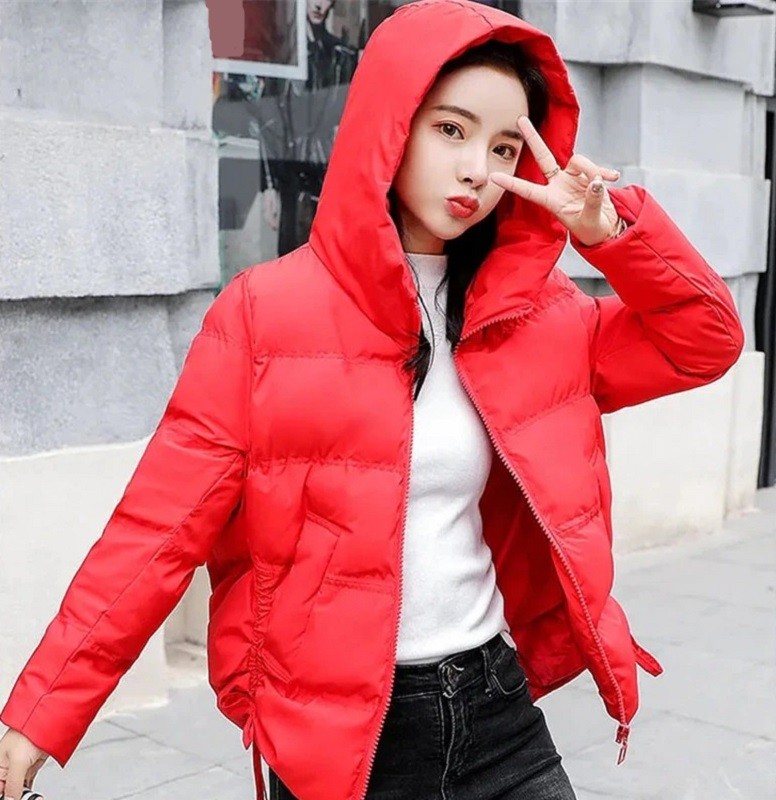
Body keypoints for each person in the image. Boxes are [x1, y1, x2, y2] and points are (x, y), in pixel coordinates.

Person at [0, 1, 744, 799]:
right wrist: (43, 715)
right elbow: (157, 530)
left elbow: (704, 340)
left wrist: (608, 233)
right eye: (451, 130)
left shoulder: (542, 315)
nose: (477, 169)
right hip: (343, 738)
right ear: (391, 127)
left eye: (502, 147)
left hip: (496, 709)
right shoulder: (265, 314)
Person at [258, 0, 359, 254]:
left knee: (327, 256)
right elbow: (268, 122)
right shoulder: (283, 54)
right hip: (291, 174)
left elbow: (351, 122)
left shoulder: (341, 55)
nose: (318, 4)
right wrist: (269, 185)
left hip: (328, 173)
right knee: (293, 256)